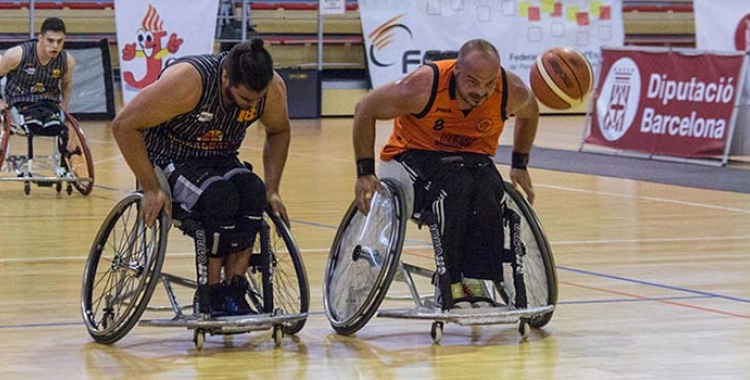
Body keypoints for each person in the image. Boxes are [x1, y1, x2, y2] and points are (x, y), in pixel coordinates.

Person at [352, 38, 539, 310]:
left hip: (471, 160)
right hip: (412, 154)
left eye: (489, 84)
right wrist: (364, 171)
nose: (481, 92)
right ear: (457, 71)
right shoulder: (422, 87)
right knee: (455, 187)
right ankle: (450, 280)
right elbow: (364, 109)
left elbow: (530, 113)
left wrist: (520, 164)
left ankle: (475, 279)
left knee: (490, 188)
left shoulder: (512, 90)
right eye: (473, 82)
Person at [111, 38, 291, 317]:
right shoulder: (188, 81)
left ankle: (234, 290)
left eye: (256, 100)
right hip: (170, 158)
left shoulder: (272, 89)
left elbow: (279, 131)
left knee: (254, 191)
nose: (250, 106)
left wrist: (273, 189)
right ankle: (212, 291)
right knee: (220, 196)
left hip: (221, 157)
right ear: (225, 78)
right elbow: (123, 125)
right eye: (244, 99)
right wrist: (149, 187)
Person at [0, 17, 75, 135]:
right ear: (41, 38)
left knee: (54, 127)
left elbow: (67, 84)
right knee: (33, 125)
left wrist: (64, 107)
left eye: (60, 41)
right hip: (20, 100)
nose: (55, 46)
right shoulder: (17, 55)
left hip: (48, 102)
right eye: (50, 40)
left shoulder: (67, 61)